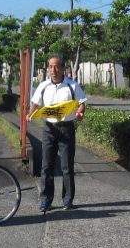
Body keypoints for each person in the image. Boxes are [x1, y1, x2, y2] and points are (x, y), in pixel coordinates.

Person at [28, 56, 87, 212]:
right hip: (49, 129)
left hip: (66, 129)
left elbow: (82, 103)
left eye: (56, 66)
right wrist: (30, 114)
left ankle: (68, 200)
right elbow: (35, 104)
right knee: (46, 166)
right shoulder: (43, 86)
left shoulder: (72, 85)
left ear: (62, 68)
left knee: (67, 166)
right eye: (50, 66)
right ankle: (45, 200)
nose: (53, 70)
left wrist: (80, 113)